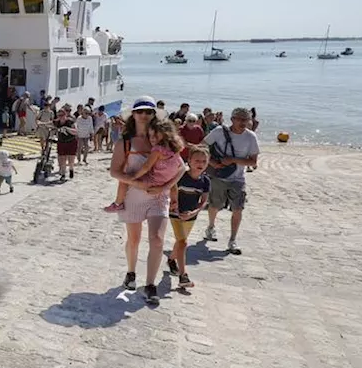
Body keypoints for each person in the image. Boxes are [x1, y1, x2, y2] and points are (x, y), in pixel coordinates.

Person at [108, 98, 186, 307]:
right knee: (134, 240)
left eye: (148, 111)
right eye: (140, 111)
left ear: (154, 115)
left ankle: (150, 285)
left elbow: (180, 168)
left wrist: (165, 189)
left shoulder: (163, 139)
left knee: (157, 239)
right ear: (133, 114)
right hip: (134, 195)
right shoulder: (124, 141)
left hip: (159, 196)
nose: (144, 115)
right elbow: (114, 171)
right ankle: (131, 272)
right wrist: (137, 183)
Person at [202, 106, 260, 255]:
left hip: (238, 178)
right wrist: (212, 162)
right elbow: (203, 146)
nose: (242, 122)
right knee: (215, 205)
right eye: (239, 119)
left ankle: (232, 240)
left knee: (238, 209)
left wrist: (233, 160)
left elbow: (253, 162)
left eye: (245, 119)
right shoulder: (219, 131)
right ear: (232, 119)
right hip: (219, 175)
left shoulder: (251, 137)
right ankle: (211, 227)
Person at [104, 116, 184, 212]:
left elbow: (146, 167)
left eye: (155, 135)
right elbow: (181, 167)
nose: (152, 139)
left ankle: (118, 203)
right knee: (174, 182)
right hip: (166, 181)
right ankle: (175, 202)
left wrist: (133, 177)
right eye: (150, 136)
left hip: (151, 182)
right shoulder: (175, 149)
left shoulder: (157, 150)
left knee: (123, 180)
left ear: (165, 134)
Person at [167, 146, 210, 289]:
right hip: (176, 213)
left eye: (204, 161)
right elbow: (171, 190)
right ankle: (183, 276)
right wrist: (175, 206)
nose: (200, 164)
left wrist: (193, 213)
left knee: (180, 242)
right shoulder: (181, 176)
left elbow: (203, 202)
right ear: (189, 161)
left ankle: (171, 259)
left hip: (191, 216)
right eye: (197, 160)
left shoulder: (205, 181)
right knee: (183, 242)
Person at [53, 106, 78, 180]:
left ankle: (71, 169)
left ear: (65, 115)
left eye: (62, 115)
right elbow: (49, 124)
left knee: (71, 159)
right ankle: (63, 174)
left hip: (71, 142)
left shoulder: (70, 122)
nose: (61, 117)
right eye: (59, 115)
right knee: (62, 159)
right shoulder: (57, 122)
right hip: (61, 142)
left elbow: (76, 131)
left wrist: (67, 129)